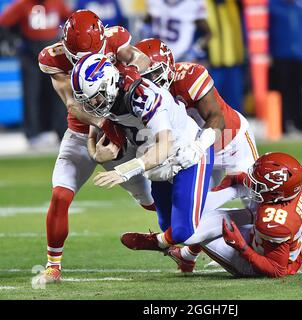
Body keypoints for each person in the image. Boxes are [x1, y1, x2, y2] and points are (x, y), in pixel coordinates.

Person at [118, 38, 259, 272]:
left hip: (230, 141)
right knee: (196, 215)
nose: (150, 82)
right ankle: (187, 255)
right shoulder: (141, 95)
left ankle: (276, 247)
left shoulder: (189, 76)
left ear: (167, 67)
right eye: (145, 76)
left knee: (256, 202)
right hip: (194, 154)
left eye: (154, 74)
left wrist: (199, 145)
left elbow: (217, 117)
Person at [35, 9, 152, 284]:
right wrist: (105, 129)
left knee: (152, 200)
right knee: (61, 195)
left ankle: (185, 243)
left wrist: (132, 71)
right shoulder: (53, 58)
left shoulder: (115, 38)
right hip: (81, 133)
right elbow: (74, 106)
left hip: (122, 129)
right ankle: (53, 265)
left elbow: (141, 58)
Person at [71, 53, 215, 253]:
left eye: (95, 97)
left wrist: (124, 171)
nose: (93, 105)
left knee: (183, 232)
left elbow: (164, 145)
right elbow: (91, 123)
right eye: (88, 100)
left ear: (109, 82)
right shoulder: (107, 96)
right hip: (155, 158)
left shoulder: (142, 96)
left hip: (188, 152)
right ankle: (181, 252)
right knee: (167, 226)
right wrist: (96, 153)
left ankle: (158, 241)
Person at [168, 152, 302, 278]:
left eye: (260, 185)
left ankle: (186, 255)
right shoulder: (298, 180)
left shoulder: (273, 221)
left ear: (278, 193)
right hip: (281, 239)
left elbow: (277, 270)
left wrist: (242, 247)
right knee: (213, 218)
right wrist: (231, 183)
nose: (254, 187)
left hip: (274, 258)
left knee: (193, 229)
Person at [0, 0, 71, 145]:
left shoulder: (57, 3)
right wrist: (12, 41)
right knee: (31, 94)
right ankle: (33, 134)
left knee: (58, 93)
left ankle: (59, 131)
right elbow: (4, 22)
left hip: (53, 57)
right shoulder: (22, 5)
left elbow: (71, 19)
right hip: (30, 56)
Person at [269, 0, 302, 134]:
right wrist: (268, 52)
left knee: (299, 91)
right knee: (282, 91)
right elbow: (268, 29)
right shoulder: (273, 5)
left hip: (300, 54)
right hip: (280, 54)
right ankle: (283, 125)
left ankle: (300, 123)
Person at [143, 0, 211, 63]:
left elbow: (208, 33)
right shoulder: (154, 2)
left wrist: (194, 51)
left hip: (181, 57)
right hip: (156, 57)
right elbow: (147, 22)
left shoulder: (194, 2)